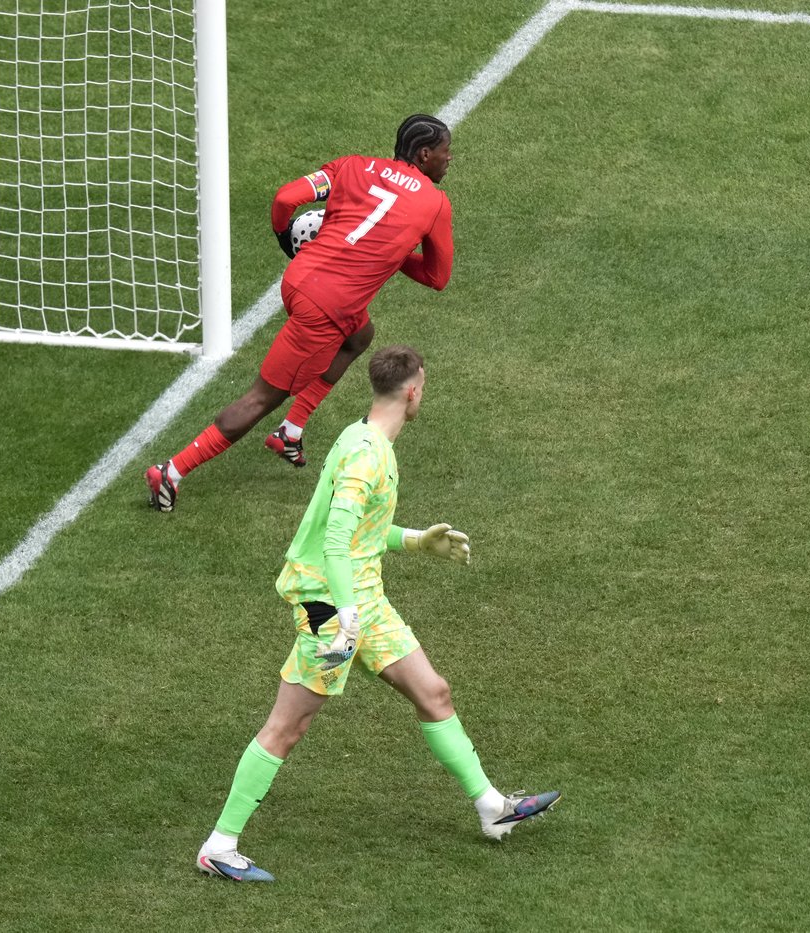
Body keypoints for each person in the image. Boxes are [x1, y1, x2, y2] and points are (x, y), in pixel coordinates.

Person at [194, 345, 560, 882]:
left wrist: (416, 540)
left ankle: (491, 807)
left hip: (361, 598)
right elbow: (335, 543)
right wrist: (345, 617)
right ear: (412, 391)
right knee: (287, 726)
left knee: (433, 692)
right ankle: (219, 846)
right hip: (331, 605)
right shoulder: (366, 457)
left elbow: (359, 532)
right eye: (424, 389)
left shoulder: (361, 436)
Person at [145, 114, 456, 512]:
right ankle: (171, 471)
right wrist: (390, 251)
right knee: (262, 398)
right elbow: (436, 277)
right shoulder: (435, 203)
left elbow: (285, 200)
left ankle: (290, 431)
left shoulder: (351, 166)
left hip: (299, 279)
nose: (449, 159)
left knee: (359, 336)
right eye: (446, 152)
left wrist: (283, 234)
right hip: (327, 307)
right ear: (425, 154)